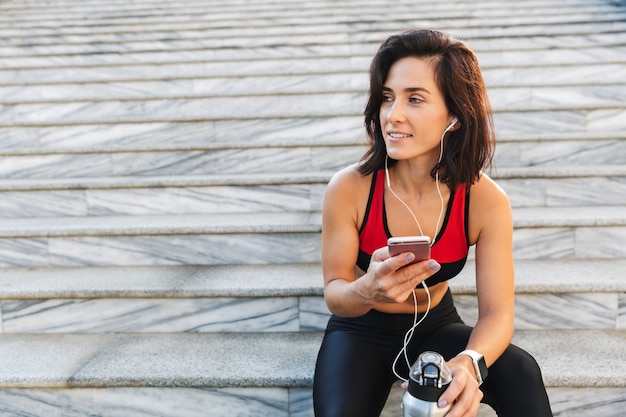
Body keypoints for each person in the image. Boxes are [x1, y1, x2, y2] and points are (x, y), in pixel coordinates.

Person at [313, 29, 553, 417]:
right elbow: (335, 293)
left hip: (435, 325)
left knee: (520, 369)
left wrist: (470, 362)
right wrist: (369, 290)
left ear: (455, 115)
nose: (393, 115)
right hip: (360, 330)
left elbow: (497, 313)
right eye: (387, 97)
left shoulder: (484, 200)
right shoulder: (350, 187)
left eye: (415, 99)